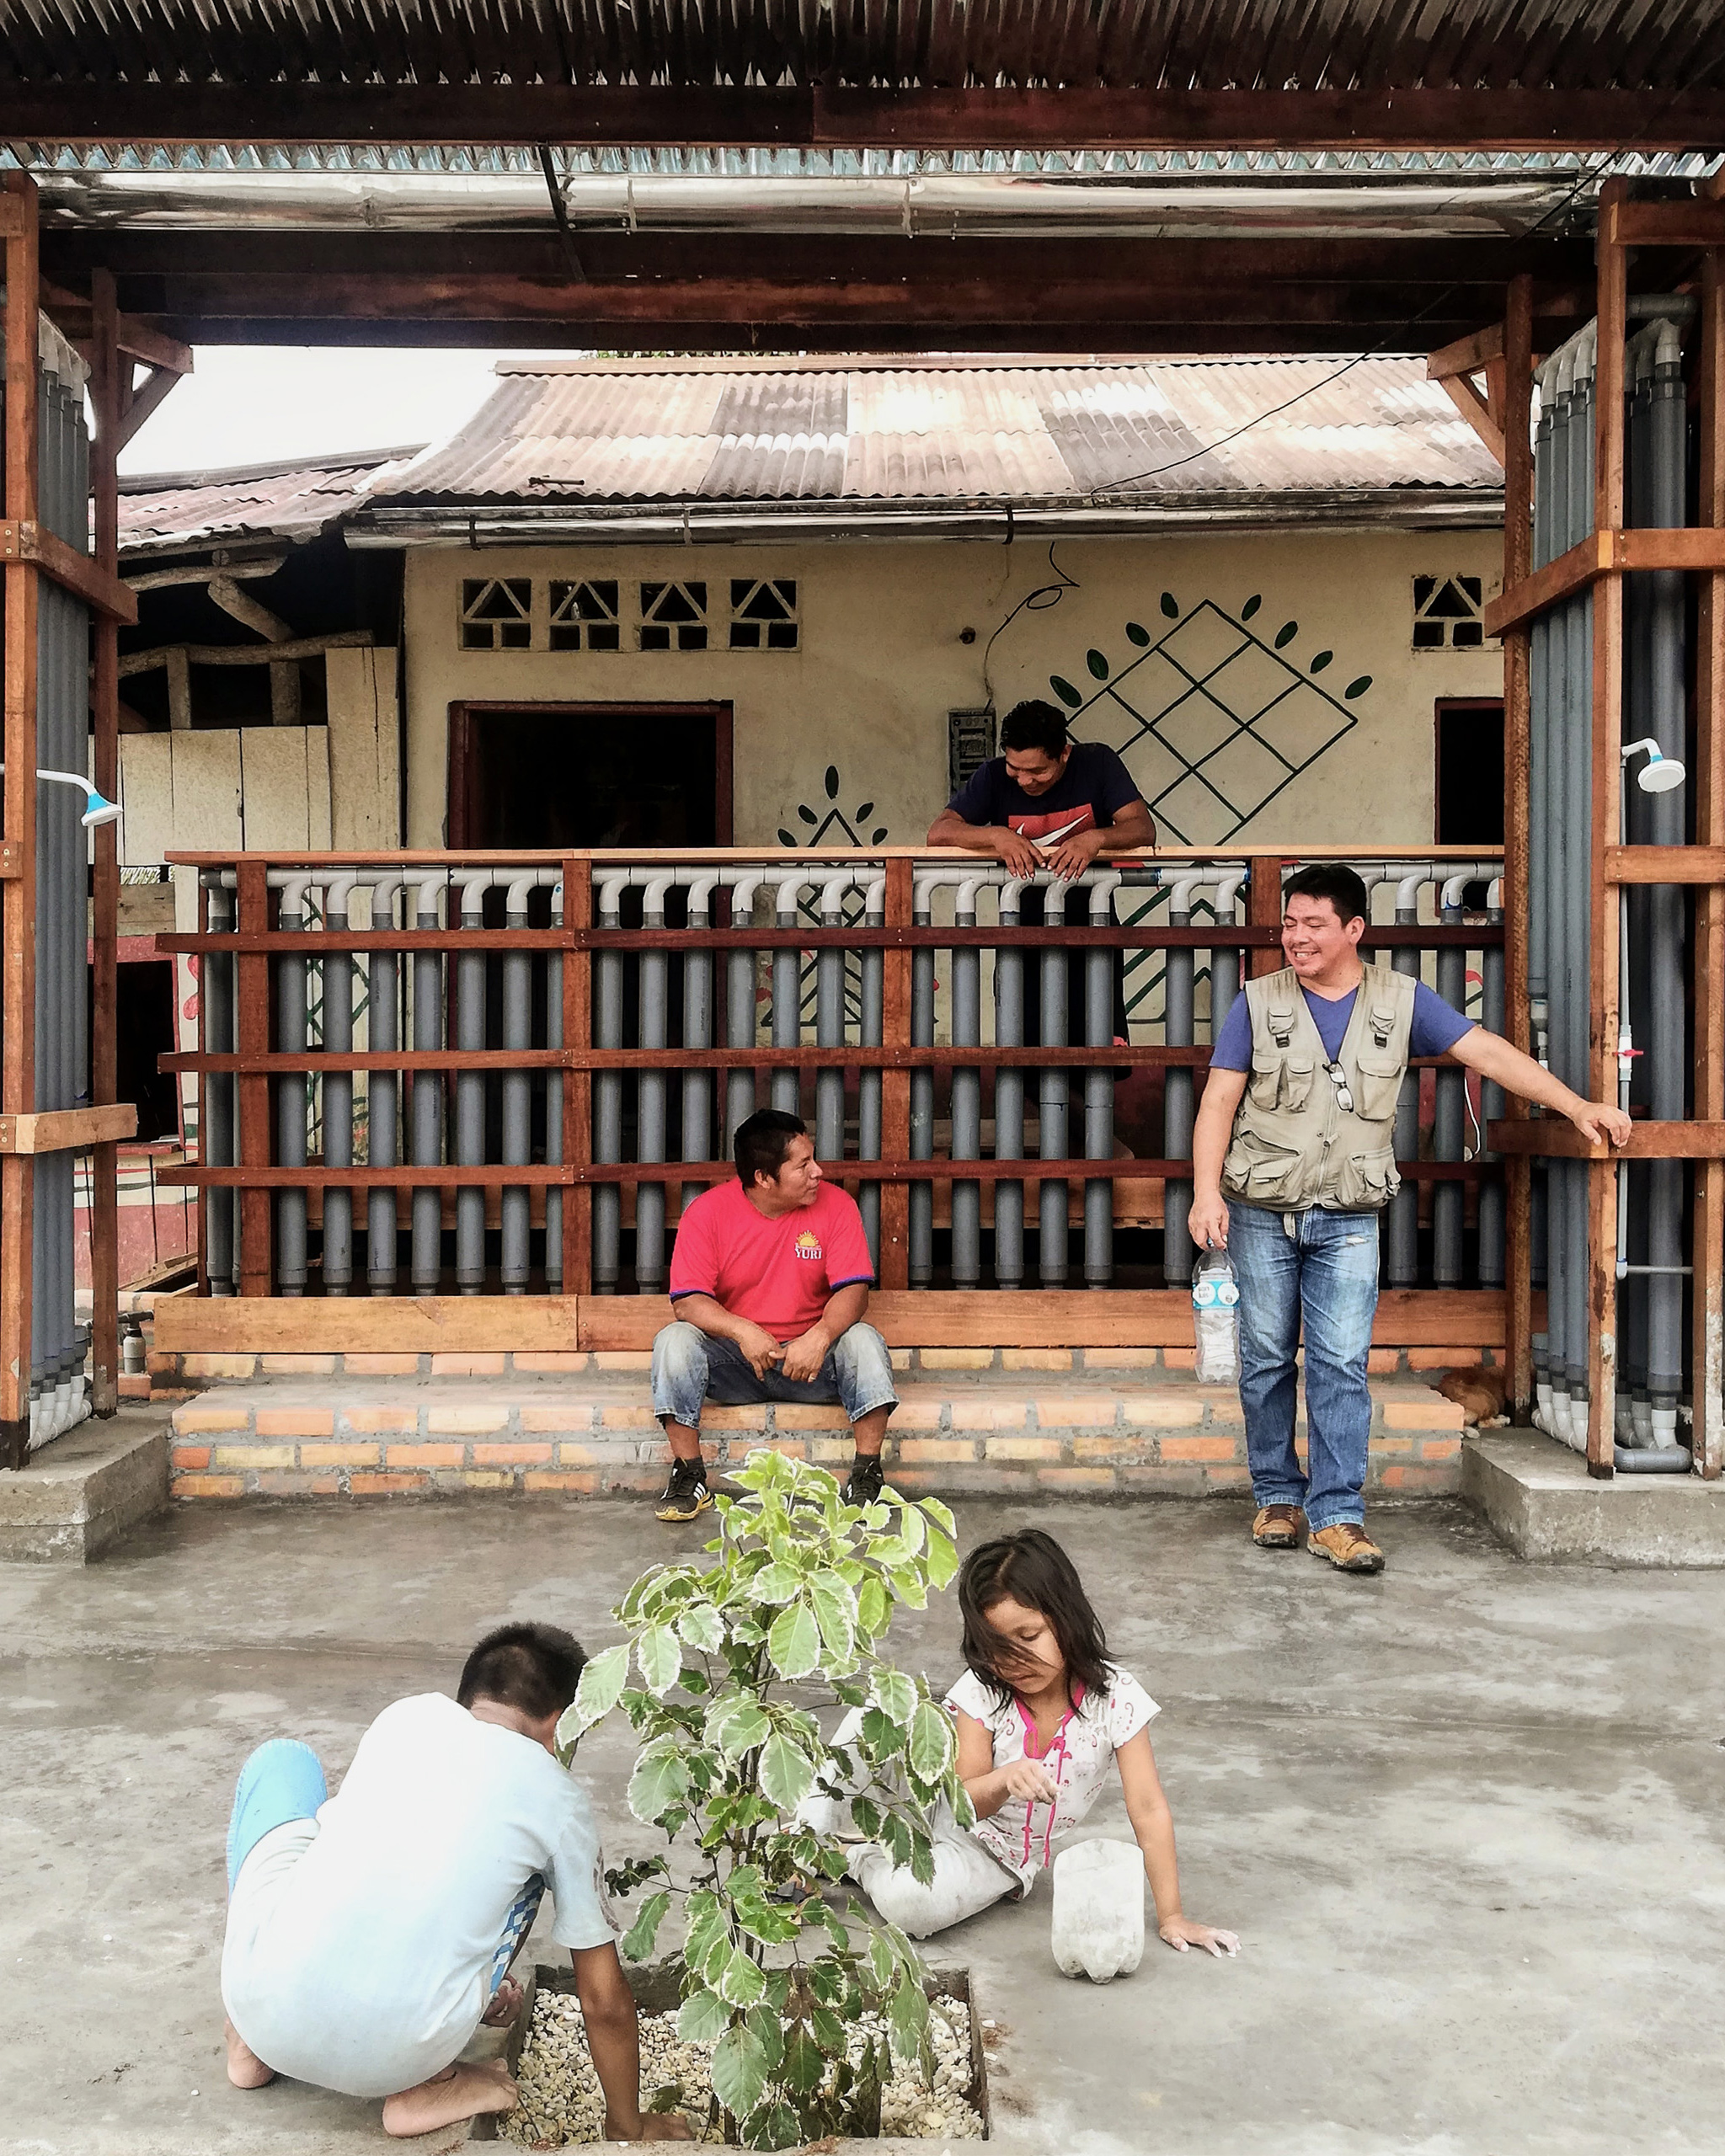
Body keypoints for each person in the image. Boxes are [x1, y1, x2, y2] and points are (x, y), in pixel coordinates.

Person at [1189, 862, 1633, 1576]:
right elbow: (1217, 1102)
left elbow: (1484, 1051)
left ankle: (1336, 1515)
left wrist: (1575, 1105)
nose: (1295, 938)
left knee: (1339, 1362)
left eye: (1313, 925)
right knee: (1266, 1359)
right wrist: (1205, 1192)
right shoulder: (1255, 1001)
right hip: (1261, 1211)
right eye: (1289, 924)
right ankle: (1276, 1494)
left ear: (1353, 929)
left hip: (1350, 1216)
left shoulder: (1402, 999)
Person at [218, 1623, 692, 2143]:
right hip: (394, 2061)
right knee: (530, 1873)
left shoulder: (406, 1716)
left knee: (283, 1765)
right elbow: (602, 1999)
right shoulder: (556, 1798)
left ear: (469, 1695)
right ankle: (428, 2081)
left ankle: (248, 2045)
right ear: (558, 1726)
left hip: (258, 2005)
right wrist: (628, 2127)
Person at [840, 1529, 1237, 1956]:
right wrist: (1004, 1779)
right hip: (939, 1803)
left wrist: (1171, 1915)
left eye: (1029, 1637)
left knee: (914, 1906)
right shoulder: (983, 1688)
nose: (1013, 1661)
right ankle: (813, 1835)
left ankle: (855, 1857)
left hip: (995, 1855)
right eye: (995, 1646)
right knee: (872, 1710)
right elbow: (962, 1801)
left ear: (1067, 1618)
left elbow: (1148, 1808)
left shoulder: (1116, 1700)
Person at [652, 1107, 897, 1523]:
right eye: (803, 1165)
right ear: (765, 1177)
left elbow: (854, 1292)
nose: (818, 1171)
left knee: (864, 1340)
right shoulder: (708, 1212)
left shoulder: (836, 1205)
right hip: (739, 1363)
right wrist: (742, 1330)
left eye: (813, 1158)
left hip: (813, 1365)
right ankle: (689, 1473)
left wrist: (818, 1338)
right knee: (673, 1340)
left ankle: (868, 1473)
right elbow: (687, 1302)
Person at [928, 698, 1155, 1049]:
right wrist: (995, 835)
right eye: (1015, 768)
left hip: (1093, 930)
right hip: (1020, 932)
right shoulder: (992, 776)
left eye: (1037, 771)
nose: (1024, 780)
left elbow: (1142, 828)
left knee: (1096, 1047)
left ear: (1063, 754)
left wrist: (1095, 838)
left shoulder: (1098, 762)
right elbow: (938, 834)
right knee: (1024, 1050)